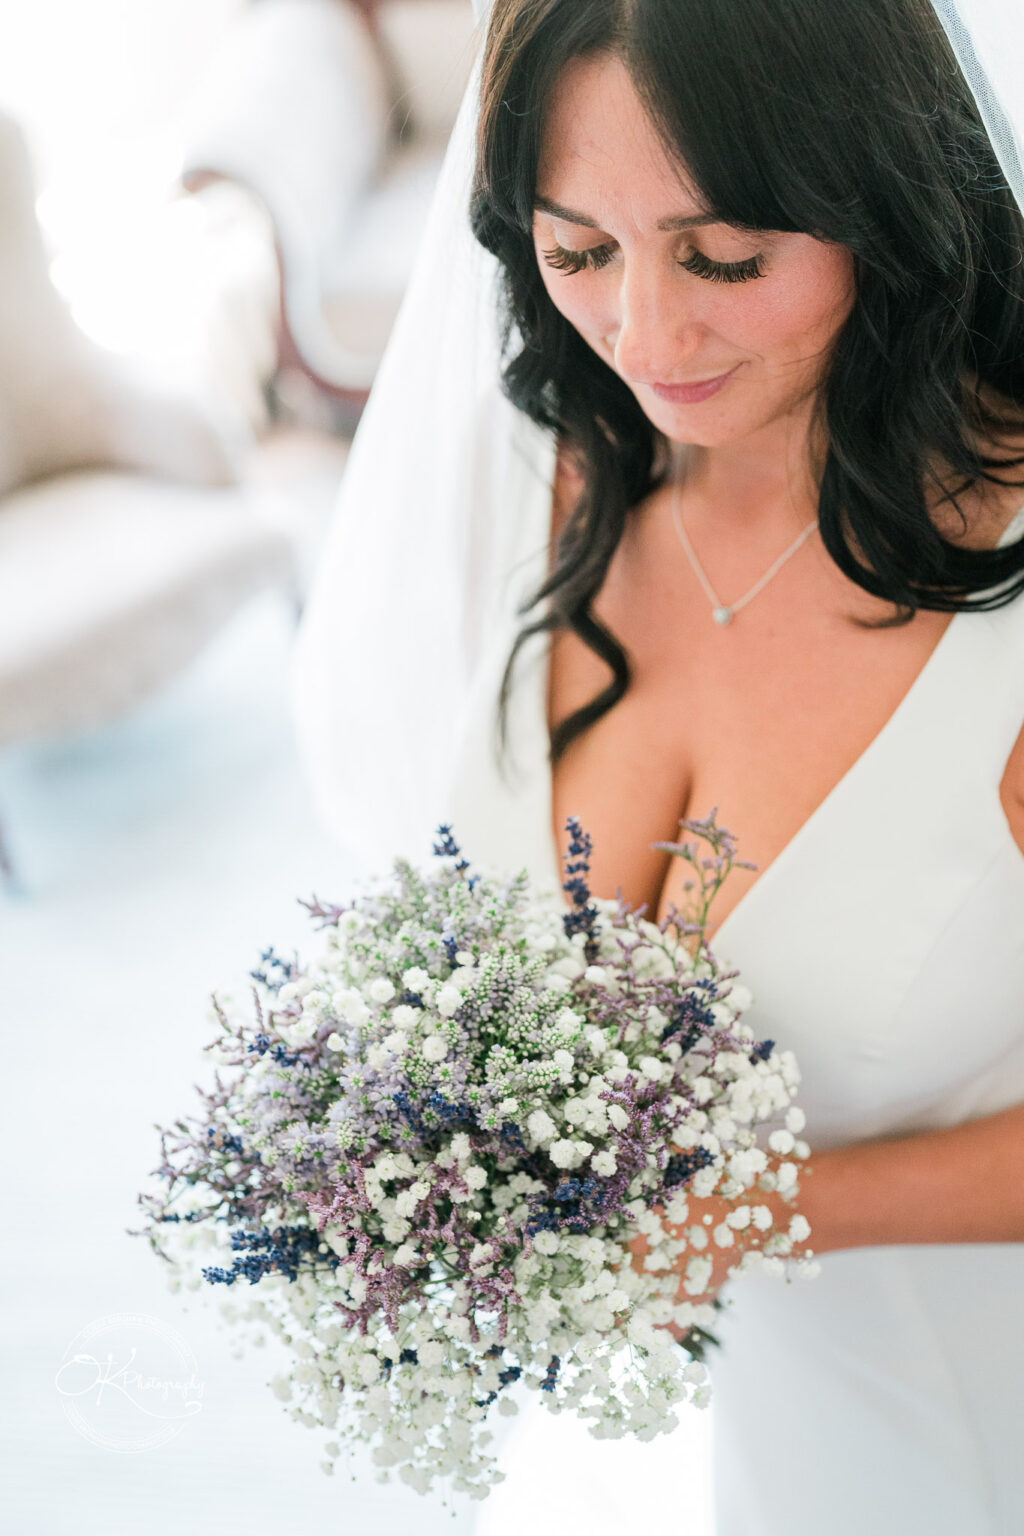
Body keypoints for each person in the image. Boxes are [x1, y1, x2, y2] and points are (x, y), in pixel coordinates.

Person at [292, 1, 1024, 1530]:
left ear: (886, 196)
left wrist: (760, 1210)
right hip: (751, 1430)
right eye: (577, 252)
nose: (643, 337)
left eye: (727, 258)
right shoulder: (563, 473)